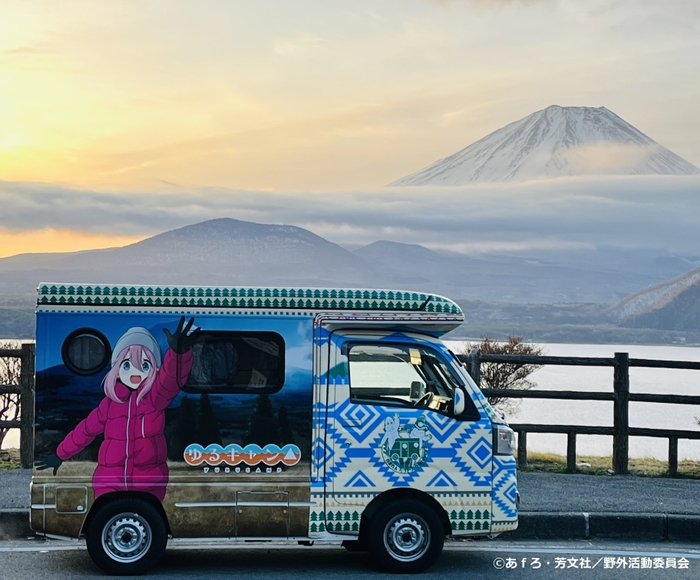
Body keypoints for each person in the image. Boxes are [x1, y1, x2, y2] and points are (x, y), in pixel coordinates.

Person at [36, 317, 199, 501]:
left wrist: (178, 354)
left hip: (149, 484)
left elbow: (170, 381)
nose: (135, 373)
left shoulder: (154, 399)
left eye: (145, 365)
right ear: (117, 369)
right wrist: (60, 454)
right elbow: (85, 430)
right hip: (109, 483)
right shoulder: (110, 403)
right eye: (127, 365)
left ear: (155, 369)